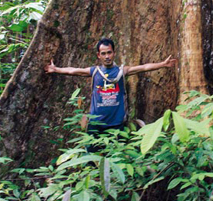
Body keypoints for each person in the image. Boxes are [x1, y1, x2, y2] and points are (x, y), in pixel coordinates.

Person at [44, 38, 177, 152]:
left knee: (118, 155)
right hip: (96, 123)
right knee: (91, 156)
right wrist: (56, 69)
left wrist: (163, 64)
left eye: (109, 53)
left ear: (113, 53)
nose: (107, 56)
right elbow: (73, 71)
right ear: (98, 55)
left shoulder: (121, 71)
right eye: (103, 53)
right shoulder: (94, 72)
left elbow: (143, 67)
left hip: (117, 123)